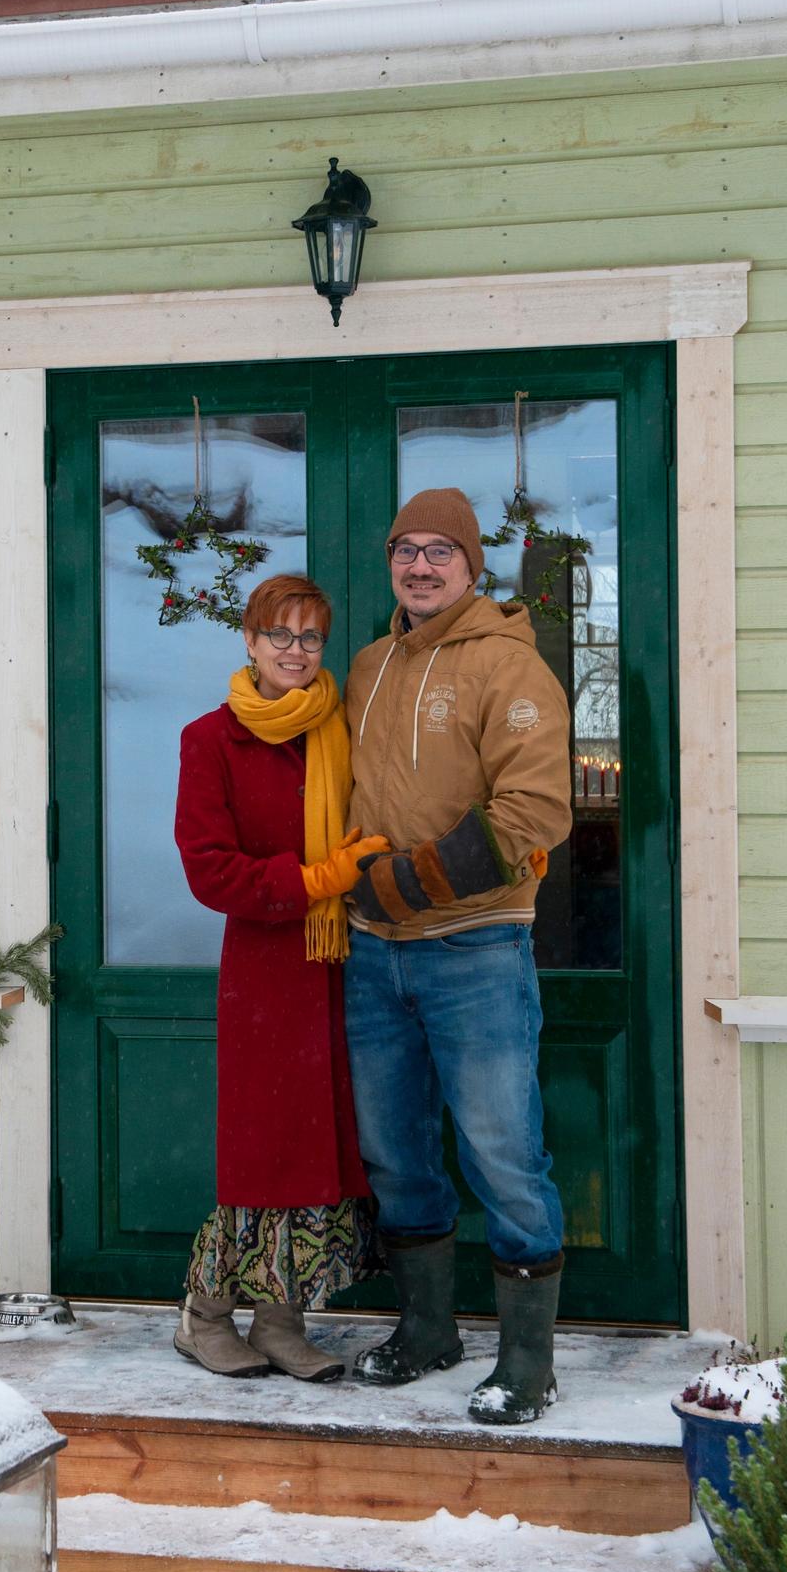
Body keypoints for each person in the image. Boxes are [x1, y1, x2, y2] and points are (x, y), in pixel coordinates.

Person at [343, 489, 573, 1424]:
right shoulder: (364, 665)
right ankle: (427, 1329)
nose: (422, 565)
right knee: (394, 1153)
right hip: (370, 957)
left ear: (472, 566)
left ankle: (527, 1360)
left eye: (442, 551)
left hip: (475, 947)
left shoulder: (511, 670)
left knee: (502, 1150)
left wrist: (412, 883)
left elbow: (535, 812)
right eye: (407, 549)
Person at [173, 574, 389, 1381]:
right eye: (279, 635)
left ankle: (280, 1316)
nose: (295, 653)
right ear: (248, 639)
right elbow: (210, 871)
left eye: (309, 638)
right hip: (267, 970)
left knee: (324, 1149)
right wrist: (318, 877)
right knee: (262, 1152)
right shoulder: (211, 739)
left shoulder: (343, 726)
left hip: (346, 963)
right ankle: (202, 1314)